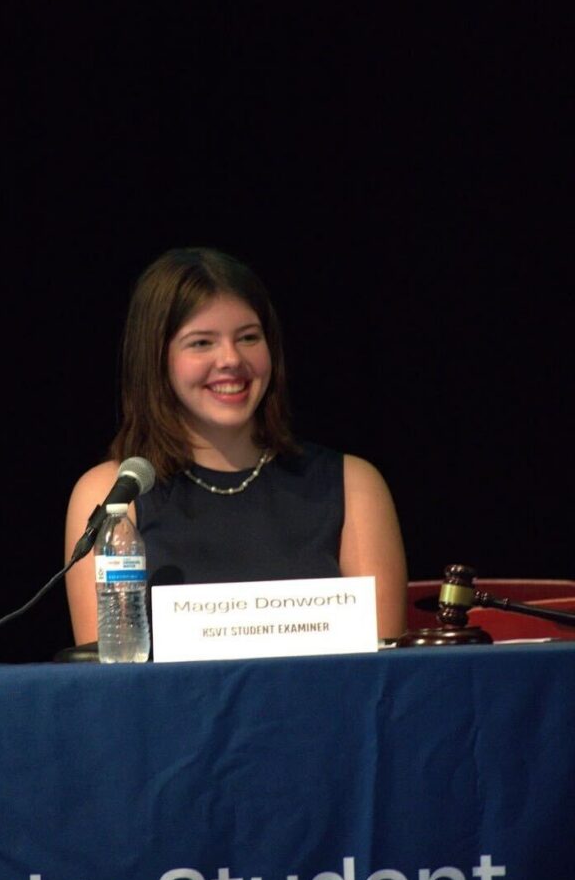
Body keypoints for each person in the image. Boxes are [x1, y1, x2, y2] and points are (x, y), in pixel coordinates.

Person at [65, 247, 407, 643]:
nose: (231, 359)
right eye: (201, 343)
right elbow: (109, 679)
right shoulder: (111, 494)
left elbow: (386, 673)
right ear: (155, 359)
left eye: (248, 338)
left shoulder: (353, 484)